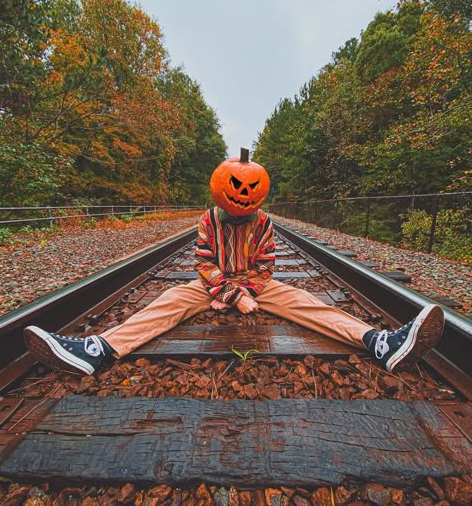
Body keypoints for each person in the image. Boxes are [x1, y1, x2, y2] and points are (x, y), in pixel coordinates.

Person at [24, 149, 445, 376]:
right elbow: (204, 263)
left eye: (251, 190)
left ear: (258, 193)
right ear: (222, 189)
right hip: (214, 285)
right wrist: (225, 291)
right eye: (237, 189)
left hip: (253, 287)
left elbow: (266, 270)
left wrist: (243, 292)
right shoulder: (208, 220)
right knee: (169, 300)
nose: (243, 195)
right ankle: (98, 349)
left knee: (305, 300)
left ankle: (379, 343)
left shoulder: (264, 224)